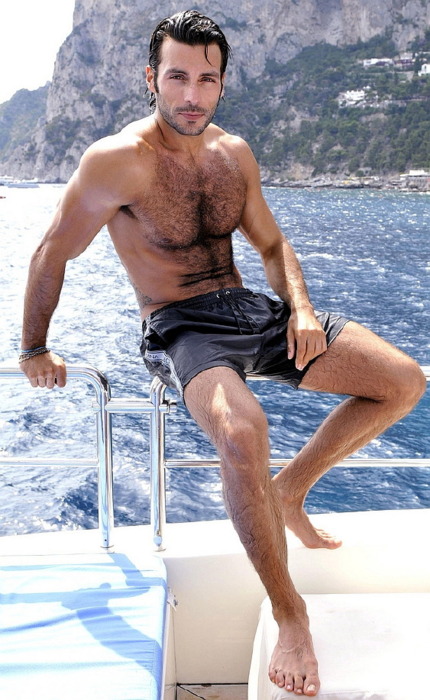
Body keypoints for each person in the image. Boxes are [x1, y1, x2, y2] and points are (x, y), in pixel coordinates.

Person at [19, 10, 426, 696]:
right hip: (180, 326)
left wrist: (300, 307)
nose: (191, 94)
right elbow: (51, 251)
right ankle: (290, 612)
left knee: (403, 380)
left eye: (206, 80)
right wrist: (34, 345)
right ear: (151, 78)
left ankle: (289, 490)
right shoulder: (116, 160)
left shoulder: (233, 154)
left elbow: (270, 244)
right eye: (177, 77)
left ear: (222, 84)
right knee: (242, 430)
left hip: (247, 310)